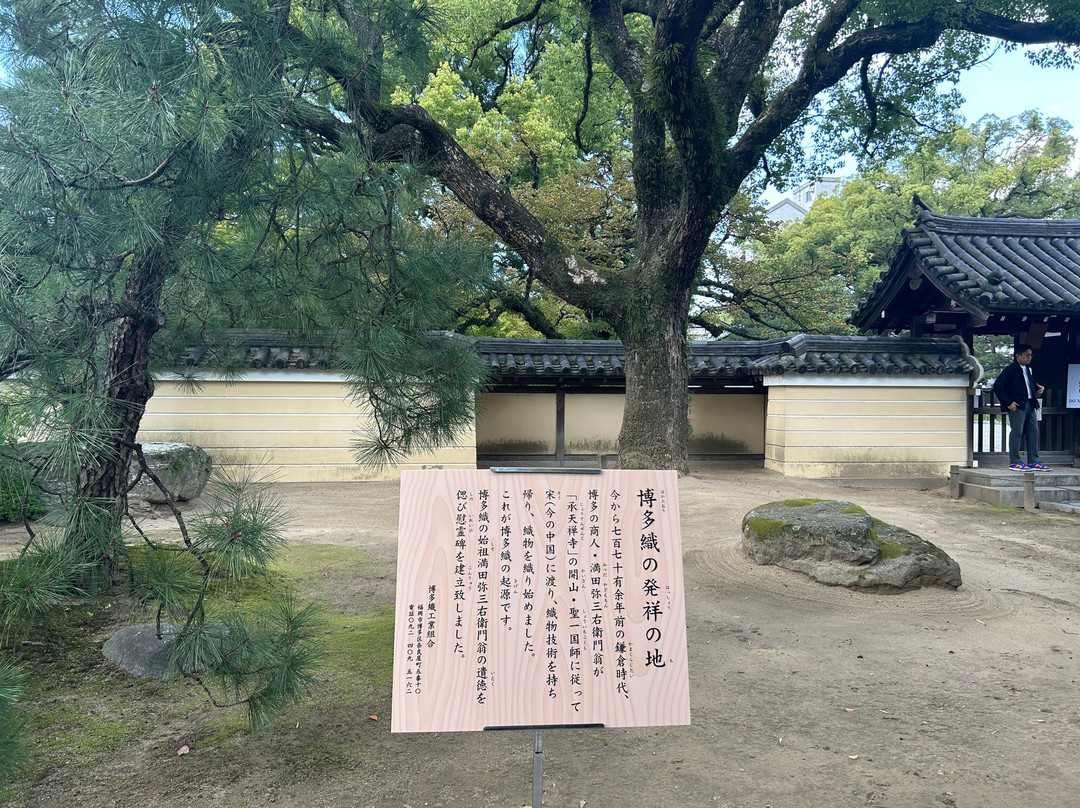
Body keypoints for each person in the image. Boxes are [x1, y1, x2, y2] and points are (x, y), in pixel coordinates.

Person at [992, 344, 1051, 471]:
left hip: (1030, 404)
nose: (1029, 358)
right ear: (1018, 356)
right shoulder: (1010, 370)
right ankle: (1015, 461)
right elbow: (998, 386)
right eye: (1027, 355)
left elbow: (1027, 385)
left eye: (1031, 355)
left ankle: (1033, 460)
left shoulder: (1027, 369)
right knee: (1016, 432)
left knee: (1033, 431)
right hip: (1017, 405)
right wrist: (1008, 403)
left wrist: (1037, 388)